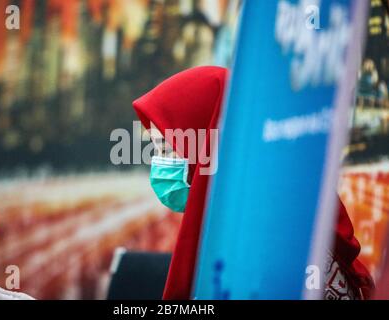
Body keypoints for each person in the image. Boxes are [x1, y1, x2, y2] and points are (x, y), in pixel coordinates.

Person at [132, 66, 374, 300]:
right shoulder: (237, 223)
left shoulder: (271, 242)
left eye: (165, 147)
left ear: (208, 144)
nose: (158, 161)